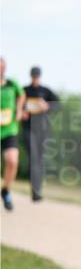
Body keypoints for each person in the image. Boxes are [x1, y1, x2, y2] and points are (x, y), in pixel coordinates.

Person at [21, 66, 60, 201]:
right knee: (33, 158)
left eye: (37, 76)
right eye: (33, 76)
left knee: (39, 160)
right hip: (28, 128)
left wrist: (47, 106)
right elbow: (16, 105)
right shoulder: (24, 91)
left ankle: (37, 190)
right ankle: (35, 190)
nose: (35, 78)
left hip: (42, 129)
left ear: (40, 76)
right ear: (30, 76)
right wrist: (21, 112)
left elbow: (58, 104)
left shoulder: (46, 91)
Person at [0, 57, 26, 211]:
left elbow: (21, 96)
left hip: (9, 129)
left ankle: (6, 190)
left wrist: (19, 109)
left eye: (3, 67)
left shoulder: (12, 84)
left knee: (12, 161)